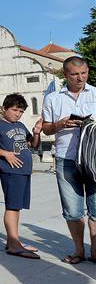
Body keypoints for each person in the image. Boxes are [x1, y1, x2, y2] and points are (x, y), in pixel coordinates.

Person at [41, 56, 96, 265]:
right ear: (65, 75)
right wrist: (60, 124)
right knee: (72, 210)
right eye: (74, 74)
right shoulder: (53, 98)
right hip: (67, 158)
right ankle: (78, 250)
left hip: (94, 157)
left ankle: (95, 251)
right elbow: (46, 128)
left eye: (84, 73)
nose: (80, 78)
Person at [0, 94, 42, 259]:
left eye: (21, 111)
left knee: (17, 206)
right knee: (12, 206)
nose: (18, 114)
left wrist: (36, 133)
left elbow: (33, 145)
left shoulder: (21, 125)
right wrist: (5, 154)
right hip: (11, 170)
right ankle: (14, 244)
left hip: (23, 171)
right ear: (4, 109)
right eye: (15, 110)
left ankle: (13, 240)